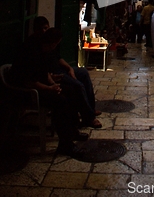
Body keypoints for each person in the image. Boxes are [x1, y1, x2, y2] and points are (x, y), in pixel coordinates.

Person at [9, 27, 87, 157]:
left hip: (39, 85)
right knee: (61, 101)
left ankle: (73, 130)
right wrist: (50, 88)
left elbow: (44, 73)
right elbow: (29, 81)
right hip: (28, 92)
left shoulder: (43, 51)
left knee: (71, 91)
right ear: (53, 43)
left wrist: (53, 83)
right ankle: (65, 144)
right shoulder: (31, 52)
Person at [33, 16, 102, 129]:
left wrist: (69, 68)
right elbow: (39, 74)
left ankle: (91, 108)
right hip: (54, 74)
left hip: (59, 70)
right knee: (77, 86)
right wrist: (51, 80)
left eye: (46, 28)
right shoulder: (37, 47)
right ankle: (89, 117)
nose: (44, 31)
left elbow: (58, 58)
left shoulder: (49, 43)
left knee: (83, 72)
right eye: (41, 29)